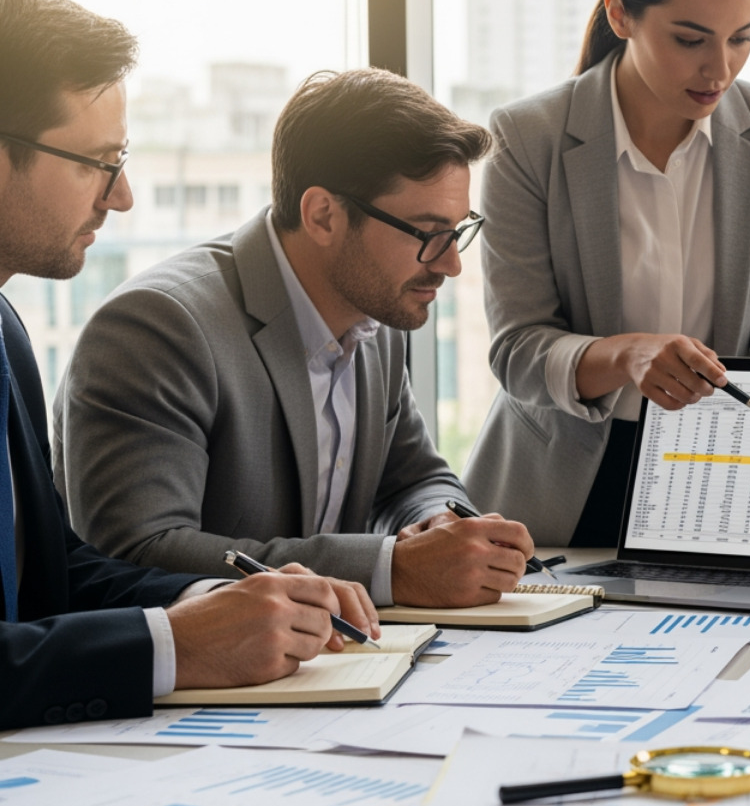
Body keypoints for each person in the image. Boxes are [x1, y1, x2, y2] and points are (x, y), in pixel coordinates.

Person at [0, 0, 378, 729]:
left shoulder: (6, 329)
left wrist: (217, 602)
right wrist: (171, 646)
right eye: (96, 162)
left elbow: (52, 572)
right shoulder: (159, 322)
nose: (122, 196)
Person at [55, 68, 536, 609]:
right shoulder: (160, 326)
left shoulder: (377, 311)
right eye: (427, 234)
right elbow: (136, 554)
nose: (450, 264)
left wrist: (440, 521)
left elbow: (412, 479)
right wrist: (391, 569)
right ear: (323, 216)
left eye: (457, 231)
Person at [462, 0, 750, 546]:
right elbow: (518, 351)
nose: (720, 69)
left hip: (721, 485)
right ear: (620, 13)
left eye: (741, 38)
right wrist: (628, 355)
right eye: (690, 39)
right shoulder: (528, 137)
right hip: (555, 493)